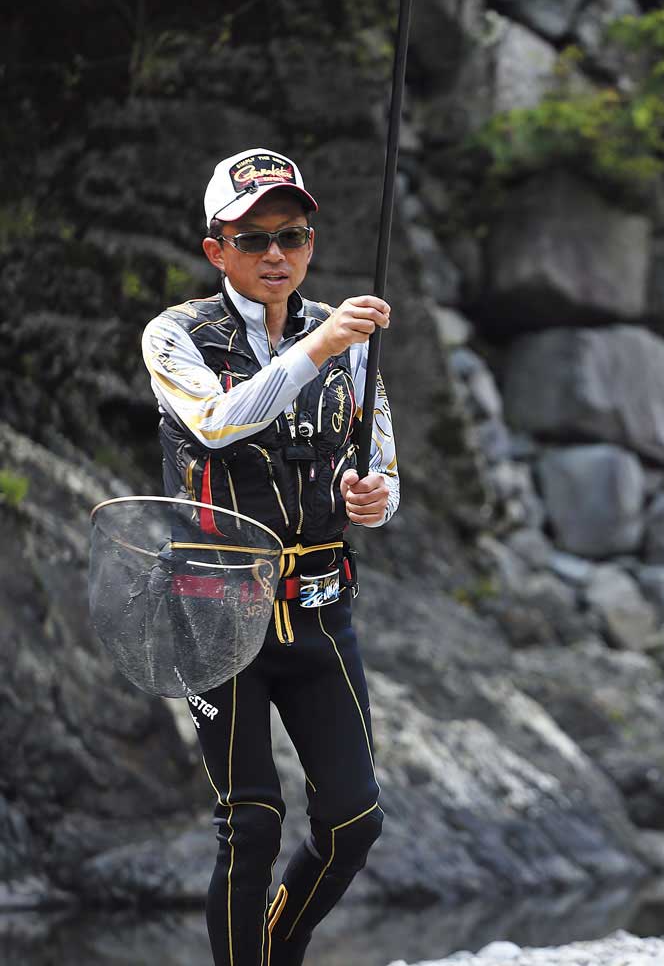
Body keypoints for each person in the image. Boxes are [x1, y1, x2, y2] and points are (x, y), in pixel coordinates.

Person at [140, 147, 399, 966]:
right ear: (217, 249)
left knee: (354, 821)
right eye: (252, 240)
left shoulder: (348, 341)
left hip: (321, 611)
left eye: (291, 235)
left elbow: (385, 473)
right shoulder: (175, 334)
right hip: (215, 612)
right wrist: (316, 347)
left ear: (310, 243)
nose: (276, 255)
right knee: (251, 822)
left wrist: (373, 499)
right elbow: (217, 424)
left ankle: (277, 950)